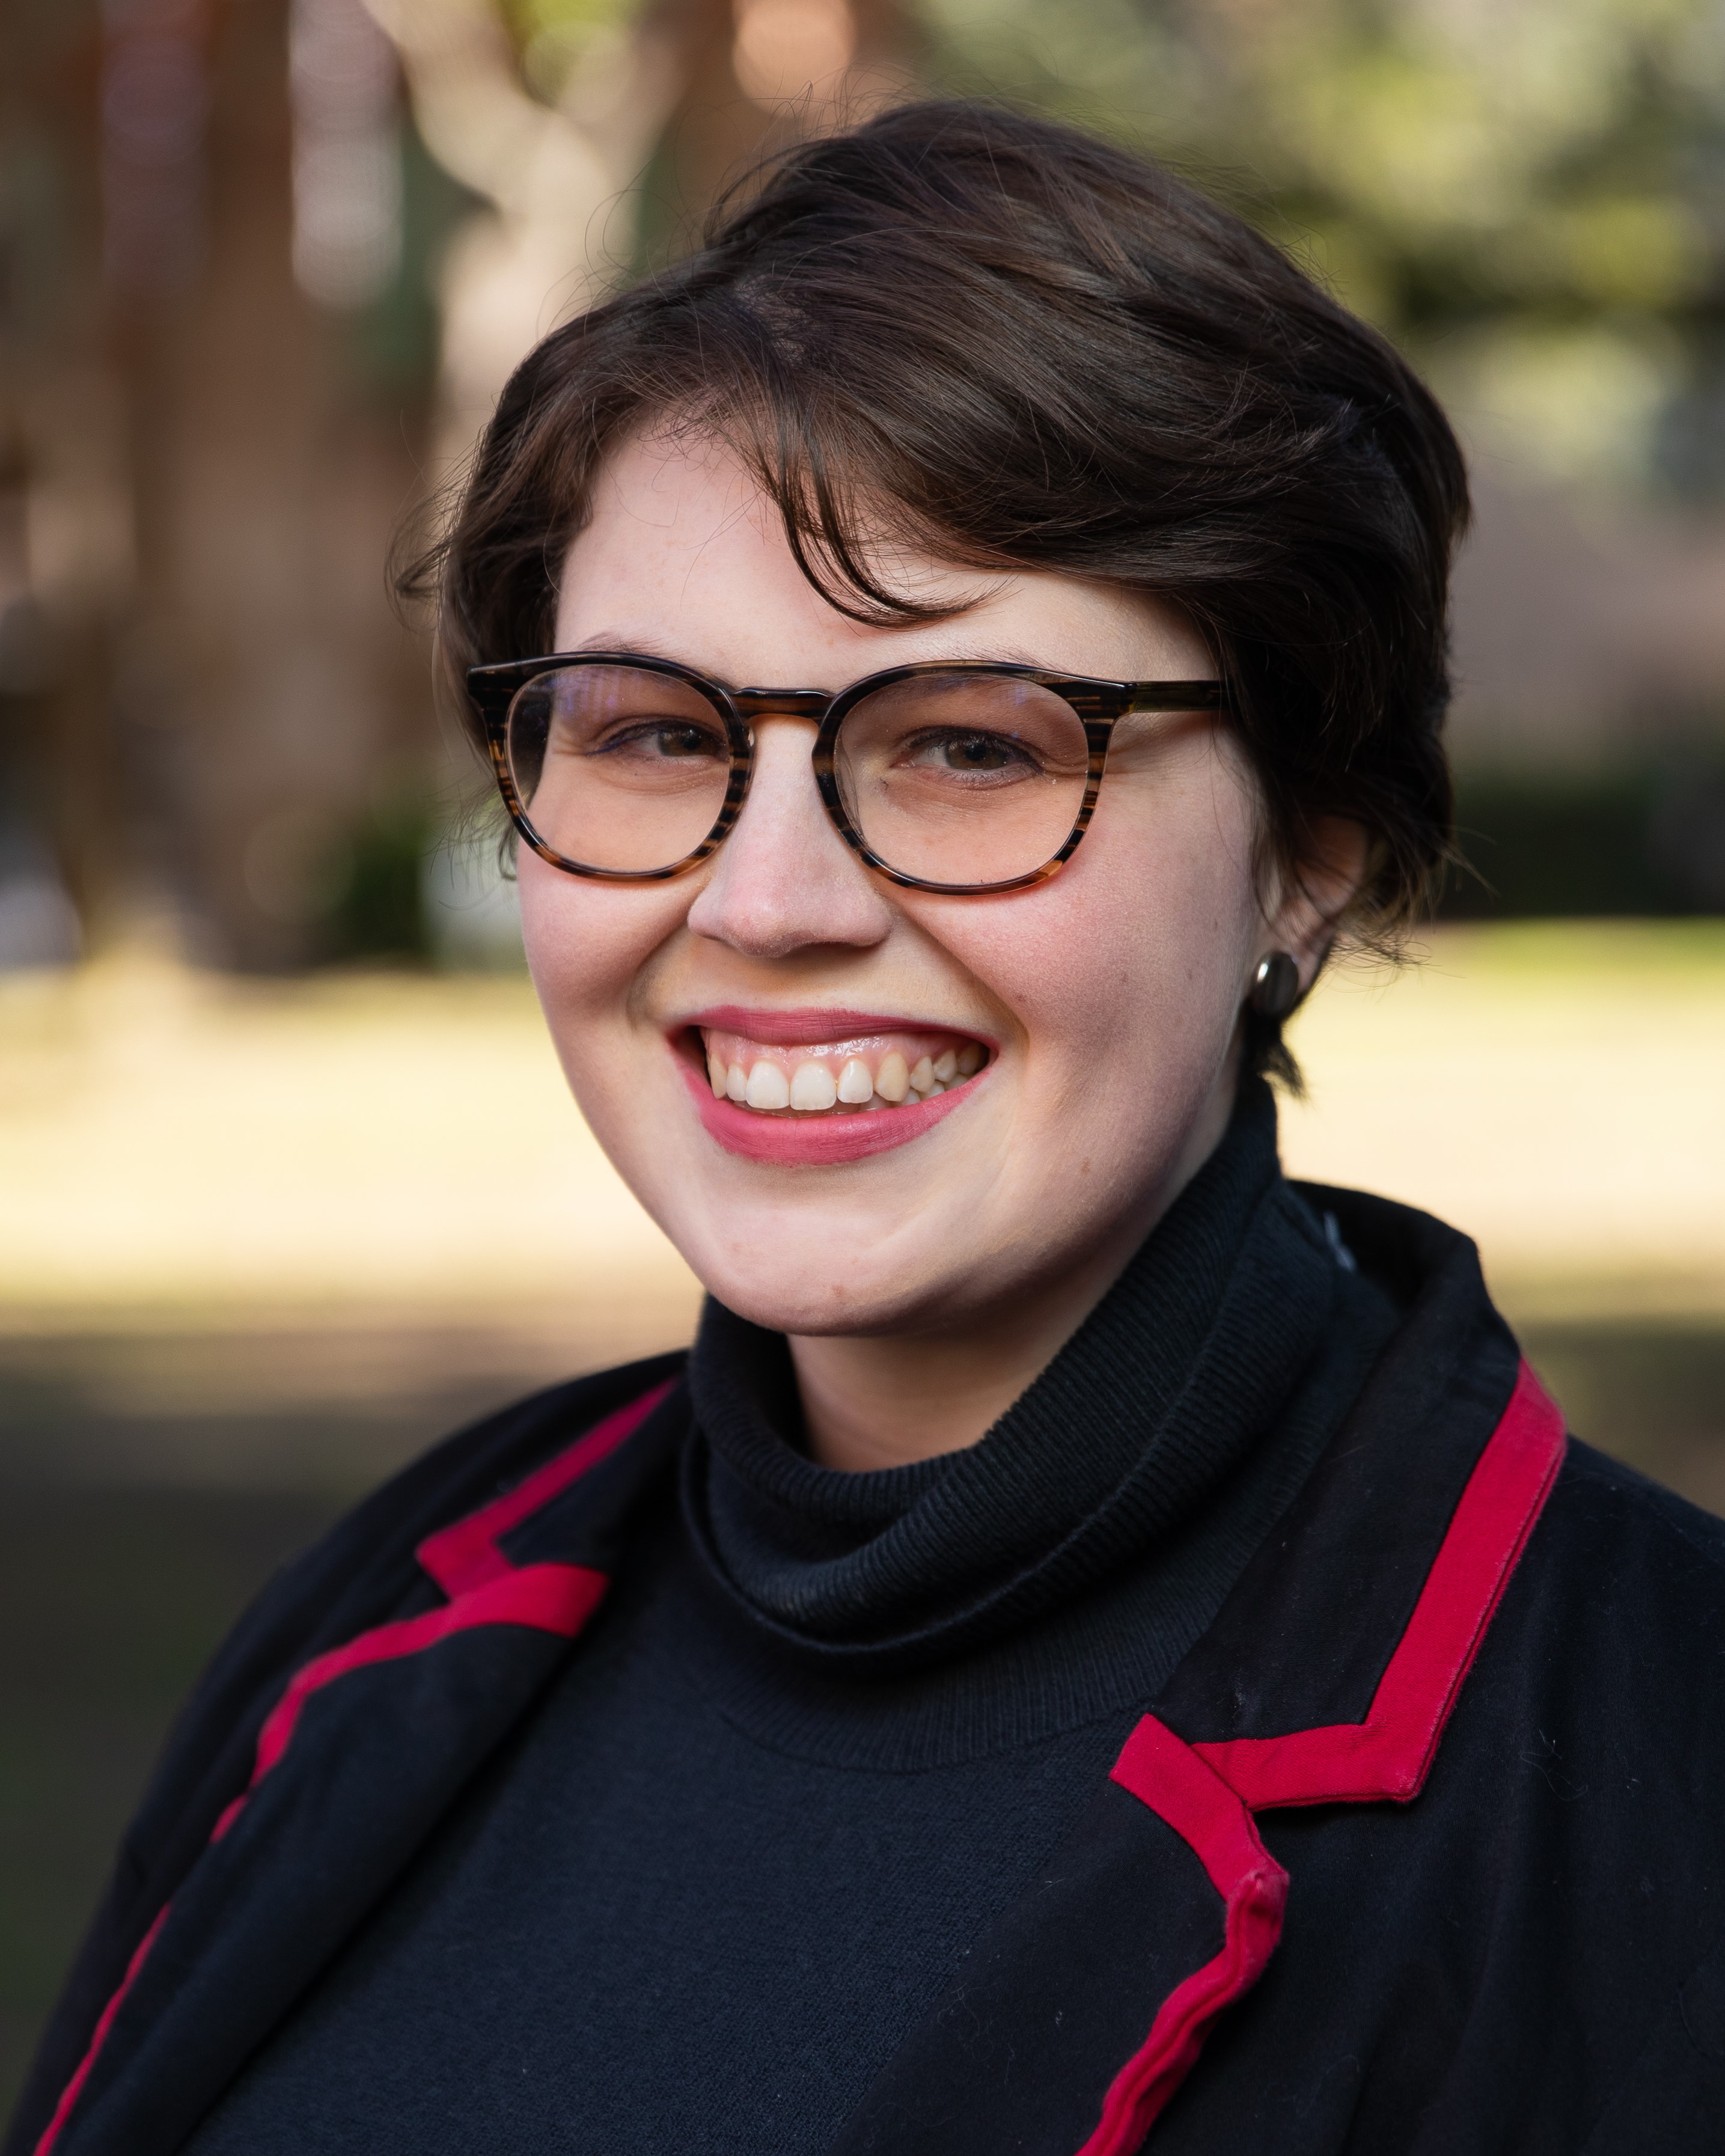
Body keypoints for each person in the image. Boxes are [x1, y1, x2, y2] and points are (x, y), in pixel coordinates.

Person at [10, 100, 1724, 2156]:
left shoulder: (1657, 1782)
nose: (769, 900)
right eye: (654, 731)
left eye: (975, 745)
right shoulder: (370, 1637)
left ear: (1309, 859)